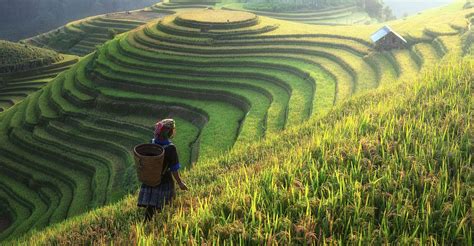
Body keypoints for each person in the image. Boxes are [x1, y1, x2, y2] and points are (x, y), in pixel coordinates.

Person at [137, 119, 188, 222]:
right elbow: (174, 169)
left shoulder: (152, 143)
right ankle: (158, 224)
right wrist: (180, 183)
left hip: (150, 178)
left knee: (151, 204)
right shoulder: (170, 148)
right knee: (164, 204)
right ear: (170, 132)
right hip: (164, 180)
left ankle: (148, 222)